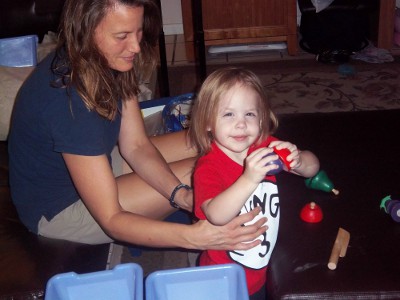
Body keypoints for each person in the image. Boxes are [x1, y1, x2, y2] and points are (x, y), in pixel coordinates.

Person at [8, 0, 267, 252]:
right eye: (122, 35)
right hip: (62, 211)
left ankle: (271, 175)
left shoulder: (107, 57)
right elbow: (111, 219)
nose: (135, 46)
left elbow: (136, 146)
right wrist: (194, 237)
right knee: (209, 167)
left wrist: (179, 195)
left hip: (97, 162)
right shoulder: (69, 100)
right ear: (85, 29)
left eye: (138, 31)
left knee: (213, 139)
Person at [189, 67, 320, 299]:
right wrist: (249, 178)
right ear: (208, 122)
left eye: (249, 114)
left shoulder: (265, 147)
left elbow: (313, 168)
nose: (241, 124)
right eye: (228, 114)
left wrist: (297, 161)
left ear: (261, 118)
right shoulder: (208, 167)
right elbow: (216, 214)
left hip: (258, 264)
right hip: (222, 276)